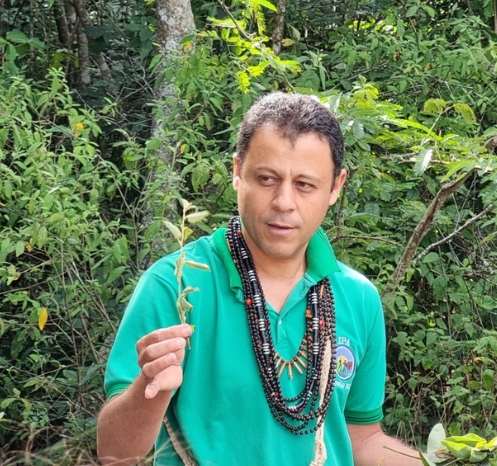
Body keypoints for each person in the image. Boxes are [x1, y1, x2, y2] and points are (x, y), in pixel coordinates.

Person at [97, 92, 423, 465]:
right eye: (267, 179)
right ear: (238, 172)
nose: (284, 201)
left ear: (336, 187)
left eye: (305, 185)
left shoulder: (356, 296)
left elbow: (361, 438)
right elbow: (114, 453)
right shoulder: (176, 284)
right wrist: (149, 389)